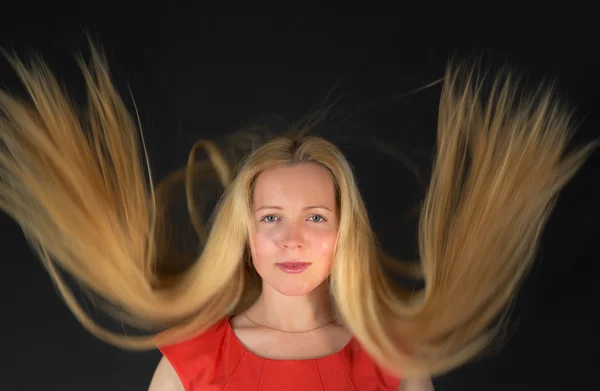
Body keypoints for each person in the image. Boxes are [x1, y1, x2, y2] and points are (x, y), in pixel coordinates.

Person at [0, 42, 597, 391]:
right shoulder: (192, 363)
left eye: (315, 217)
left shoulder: (391, 363)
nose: (291, 238)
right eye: (270, 218)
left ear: (343, 235)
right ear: (246, 236)